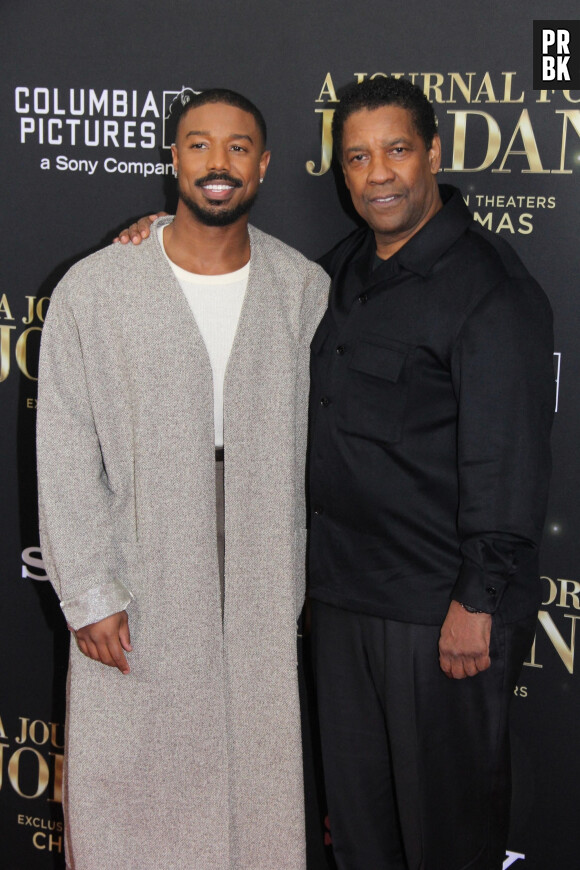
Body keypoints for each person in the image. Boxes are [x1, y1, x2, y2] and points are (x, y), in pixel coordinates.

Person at [119, 77, 554, 870]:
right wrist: (157, 240)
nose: (377, 174)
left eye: (395, 150)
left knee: (446, 837)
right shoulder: (342, 270)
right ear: (340, 170)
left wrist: (476, 601)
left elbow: (510, 457)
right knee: (358, 833)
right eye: (357, 157)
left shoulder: (489, 288)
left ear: (434, 154)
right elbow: (237, 272)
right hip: (341, 600)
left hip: (438, 615)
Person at [37, 88, 329, 870]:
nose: (218, 164)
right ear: (173, 159)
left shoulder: (301, 288)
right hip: (145, 554)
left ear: (263, 165)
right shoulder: (95, 290)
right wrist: (90, 591)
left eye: (238, 147)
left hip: (262, 559)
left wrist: (297, 579)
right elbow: (65, 448)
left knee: (255, 776)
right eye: (199, 144)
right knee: (133, 777)